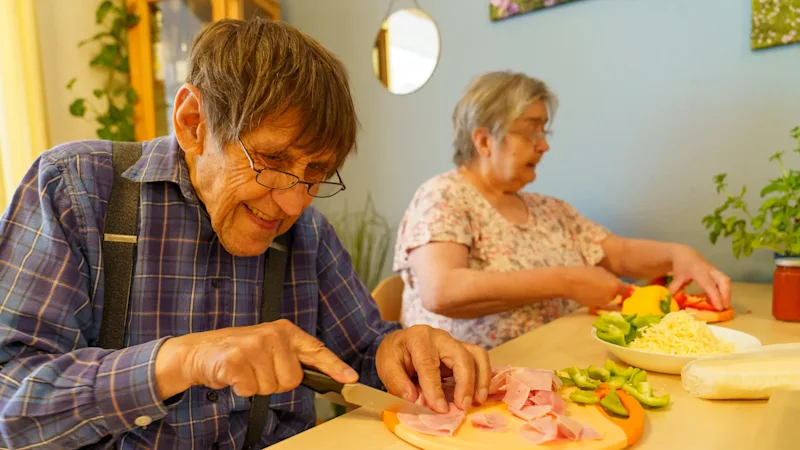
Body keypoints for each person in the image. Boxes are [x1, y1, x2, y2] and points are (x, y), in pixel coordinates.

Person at [0, 19, 491, 449]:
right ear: (194, 123)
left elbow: (360, 354)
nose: (295, 203)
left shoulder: (308, 234)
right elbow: (10, 403)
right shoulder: (76, 190)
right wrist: (180, 360)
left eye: (316, 172)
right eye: (273, 160)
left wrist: (400, 353)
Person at [392, 71, 732, 350]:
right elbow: (442, 291)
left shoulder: (548, 209)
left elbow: (619, 253)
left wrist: (677, 254)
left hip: (563, 360)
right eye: (530, 131)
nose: (544, 144)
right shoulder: (443, 196)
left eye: (544, 130)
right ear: (483, 141)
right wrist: (567, 280)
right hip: (473, 383)